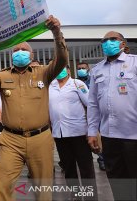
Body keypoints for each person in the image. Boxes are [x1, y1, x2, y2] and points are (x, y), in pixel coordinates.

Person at [0, 15, 68, 201]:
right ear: (11, 56)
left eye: (24, 50)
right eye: (16, 50)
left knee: (43, 190)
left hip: (40, 138)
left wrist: (56, 32)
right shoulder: (2, 75)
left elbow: (62, 60)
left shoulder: (44, 73)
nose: (19, 52)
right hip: (11, 140)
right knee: (4, 187)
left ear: (31, 56)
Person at [87, 31, 137, 200]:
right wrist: (92, 131)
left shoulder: (135, 63)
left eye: (113, 39)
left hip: (133, 136)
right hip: (109, 136)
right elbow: (92, 103)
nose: (108, 42)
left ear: (123, 43)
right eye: (104, 40)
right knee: (117, 181)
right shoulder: (97, 69)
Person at [49, 65, 97, 199]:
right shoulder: (50, 87)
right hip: (60, 134)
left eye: (62, 68)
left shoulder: (77, 84)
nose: (59, 71)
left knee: (86, 168)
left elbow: (90, 104)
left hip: (79, 133)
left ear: (69, 70)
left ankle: (90, 197)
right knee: (68, 169)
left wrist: (92, 129)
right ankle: (75, 195)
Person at [77, 62, 106, 171]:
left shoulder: (93, 80)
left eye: (83, 68)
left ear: (88, 68)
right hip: (82, 117)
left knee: (98, 139)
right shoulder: (76, 82)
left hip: (95, 115)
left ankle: (102, 160)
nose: (81, 70)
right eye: (79, 68)